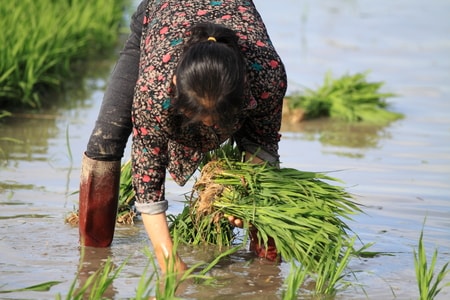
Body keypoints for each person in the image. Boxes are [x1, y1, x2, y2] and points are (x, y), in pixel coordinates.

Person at [78, 0, 287, 273]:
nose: (209, 127)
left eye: (218, 121)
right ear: (176, 86)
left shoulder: (267, 76)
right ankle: (92, 259)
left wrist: (246, 197)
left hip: (235, 16)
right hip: (161, 14)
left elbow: (262, 145)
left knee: (262, 193)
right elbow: (148, 176)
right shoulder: (155, 84)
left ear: (243, 90)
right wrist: (168, 259)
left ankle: (266, 267)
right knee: (105, 141)